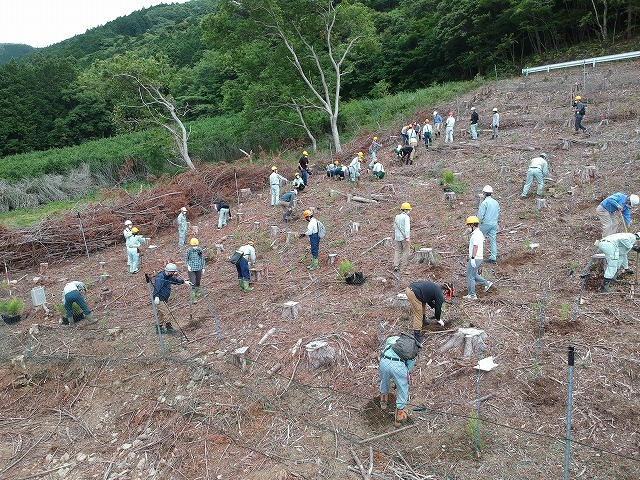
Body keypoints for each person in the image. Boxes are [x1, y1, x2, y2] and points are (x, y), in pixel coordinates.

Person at [379, 335, 418, 427]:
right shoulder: (411, 347)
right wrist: (404, 375)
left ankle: (383, 402)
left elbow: (385, 350)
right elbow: (410, 364)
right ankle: (399, 417)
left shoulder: (391, 339)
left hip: (384, 361)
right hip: (398, 366)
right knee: (403, 389)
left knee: (384, 381)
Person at [153, 263, 190, 333]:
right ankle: (169, 328)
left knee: (161, 313)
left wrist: (184, 282)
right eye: (173, 272)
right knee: (167, 312)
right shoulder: (160, 277)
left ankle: (159, 328)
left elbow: (175, 281)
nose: (174, 273)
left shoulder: (168, 276)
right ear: (169, 271)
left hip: (164, 298)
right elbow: (157, 287)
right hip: (159, 298)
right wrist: (156, 296)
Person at [463, 216, 493, 300]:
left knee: (470, 276)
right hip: (478, 257)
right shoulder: (478, 233)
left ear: (472, 225)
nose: (468, 227)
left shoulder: (476, 235)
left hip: (475, 258)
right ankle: (486, 283)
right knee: (473, 274)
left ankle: (472, 295)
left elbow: (475, 247)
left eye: (469, 225)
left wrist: (472, 258)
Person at [477, 185, 500, 264]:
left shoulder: (485, 202)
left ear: (484, 193)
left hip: (486, 224)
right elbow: (498, 212)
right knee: (493, 240)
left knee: (478, 239)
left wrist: (477, 222)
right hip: (494, 224)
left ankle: (477, 256)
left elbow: (480, 215)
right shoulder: (496, 202)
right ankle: (493, 257)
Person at [185, 237, 206, 302]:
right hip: (191, 269)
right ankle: (194, 298)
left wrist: (203, 268)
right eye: (194, 245)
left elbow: (202, 259)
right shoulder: (188, 251)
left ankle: (196, 293)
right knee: (193, 282)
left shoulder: (199, 250)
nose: (195, 247)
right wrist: (188, 265)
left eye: (196, 245)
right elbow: (186, 259)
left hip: (199, 268)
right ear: (191, 245)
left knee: (198, 282)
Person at [393, 203, 411, 273]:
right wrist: (407, 237)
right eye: (409, 210)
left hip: (397, 237)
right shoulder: (406, 217)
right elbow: (407, 229)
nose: (409, 211)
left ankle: (396, 266)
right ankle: (404, 266)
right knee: (406, 251)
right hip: (404, 237)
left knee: (397, 251)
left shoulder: (397, 216)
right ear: (406, 210)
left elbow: (394, 227)